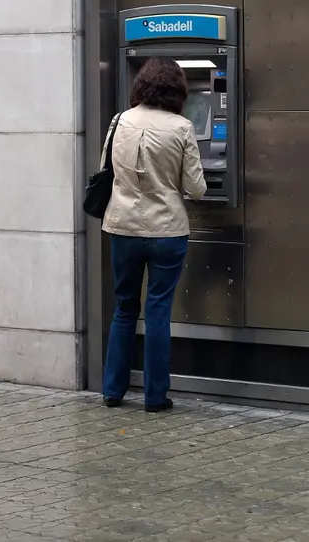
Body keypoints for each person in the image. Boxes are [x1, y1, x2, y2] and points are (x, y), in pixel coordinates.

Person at [100, 56, 207, 413]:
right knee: (158, 310)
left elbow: (106, 172)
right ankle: (155, 397)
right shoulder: (182, 127)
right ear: (177, 89)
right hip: (167, 230)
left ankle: (112, 391)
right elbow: (196, 188)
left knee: (124, 308)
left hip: (122, 227)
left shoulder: (119, 121)